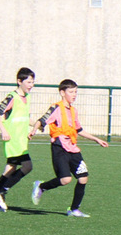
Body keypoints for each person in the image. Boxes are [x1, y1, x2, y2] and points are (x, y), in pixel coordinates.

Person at [29, 79, 109, 217]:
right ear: (62, 93)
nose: (74, 95)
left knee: (83, 178)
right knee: (65, 179)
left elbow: (78, 129)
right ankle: (41, 186)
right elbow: (42, 120)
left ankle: (74, 209)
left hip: (73, 148)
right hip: (59, 148)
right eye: (71, 92)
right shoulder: (56, 108)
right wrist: (34, 130)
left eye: (76, 92)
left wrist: (96, 139)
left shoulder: (73, 110)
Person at [0, 67, 37, 211]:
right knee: (27, 166)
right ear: (19, 81)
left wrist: (38, 125)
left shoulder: (27, 97)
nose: (31, 85)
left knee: (10, 168)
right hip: (13, 140)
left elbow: (24, 118)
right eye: (29, 82)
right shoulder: (12, 97)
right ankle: (0, 191)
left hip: (21, 140)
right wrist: (3, 130)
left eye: (33, 82)